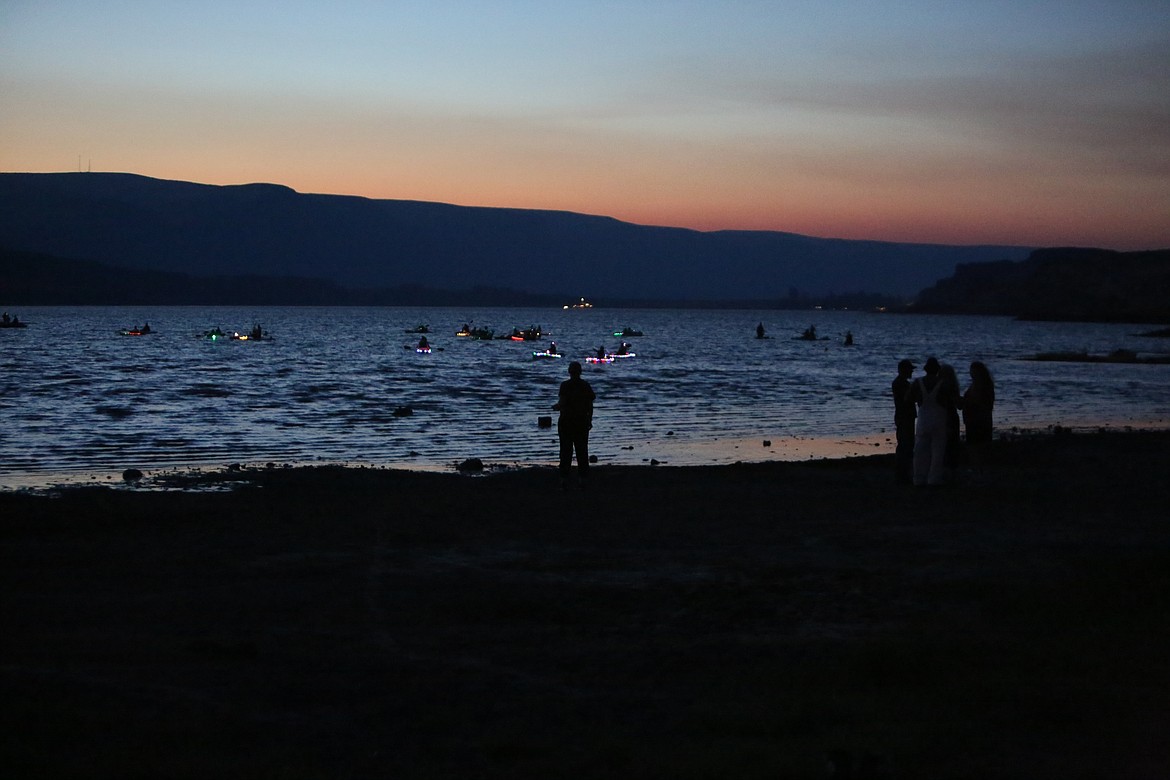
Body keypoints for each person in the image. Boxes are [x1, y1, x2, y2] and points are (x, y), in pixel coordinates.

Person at [908, 356, 957, 486]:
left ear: (926, 369)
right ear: (937, 370)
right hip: (939, 419)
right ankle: (934, 479)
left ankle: (918, 478)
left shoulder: (918, 383)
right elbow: (952, 402)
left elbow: (908, 399)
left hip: (923, 420)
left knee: (919, 450)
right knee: (938, 451)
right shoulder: (944, 384)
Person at [553, 361, 595, 489]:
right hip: (582, 421)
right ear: (580, 372)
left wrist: (556, 407)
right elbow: (590, 405)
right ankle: (583, 479)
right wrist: (590, 419)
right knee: (582, 450)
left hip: (567, 421)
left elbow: (562, 402)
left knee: (565, 450)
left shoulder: (565, 385)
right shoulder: (585, 385)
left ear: (569, 372)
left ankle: (564, 478)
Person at [962, 361, 995, 474]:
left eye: (974, 371)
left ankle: (980, 469)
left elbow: (987, 405)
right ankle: (977, 468)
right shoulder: (974, 386)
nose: (971, 373)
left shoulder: (985, 387)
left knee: (979, 446)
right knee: (973, 446)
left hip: (980, 421)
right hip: (972, 421)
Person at [892, 359, 916, 484]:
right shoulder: (900, 384)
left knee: (905, 444)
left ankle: (903, 472)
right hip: (904, 416)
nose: (911, 371)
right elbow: (908, 398)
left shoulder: (901, 383)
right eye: (909, 369)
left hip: (904, 416)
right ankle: (902, 473)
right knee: (905, 444)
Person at [939, 363, 963, 480]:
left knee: (943, 445)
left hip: (941, 417)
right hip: (951, 416)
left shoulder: (938, 387)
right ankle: (951, 471)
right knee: (952, 444)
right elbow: (959, 405)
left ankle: (944, 471)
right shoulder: (952, 387)